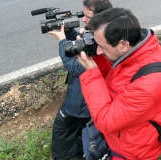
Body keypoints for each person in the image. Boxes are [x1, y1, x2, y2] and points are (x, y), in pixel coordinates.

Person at [77, 8, 161, 160]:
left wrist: (91, 72)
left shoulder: (148, 86)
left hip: (131, 152)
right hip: (123, 136)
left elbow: (105, 121)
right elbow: (114, 77)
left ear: (123, 44)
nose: (98, 51)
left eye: (101, 46)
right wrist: (94, 56)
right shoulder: (140, 49)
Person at [47, 0, 112, 160]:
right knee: (83, 131)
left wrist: (62, 40)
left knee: (62, 133)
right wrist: (69, 31)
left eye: (87, 16)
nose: (83, 19)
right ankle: (81, 154)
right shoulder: (105, 31)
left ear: (99, 17)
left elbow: (74, 65)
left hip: (80, 101)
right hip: (92, 97)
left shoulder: (100, 41)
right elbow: (79, 43)